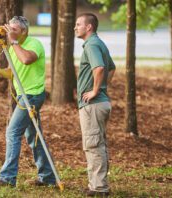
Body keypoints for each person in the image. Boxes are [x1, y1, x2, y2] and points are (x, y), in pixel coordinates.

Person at [0, 16, 56, 187]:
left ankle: (7, 178)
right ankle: (48, 177)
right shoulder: (13, 46)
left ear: (24, 31)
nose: (10, 33)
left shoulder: (33, 44)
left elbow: (26, 60)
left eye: (14, 29)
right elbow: (12, 72)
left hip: (32, 95)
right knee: (34, 136)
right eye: (9, 28)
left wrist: (14, 43)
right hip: (24, 95)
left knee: (13, 132)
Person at [74, 13, 116, 197]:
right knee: (97, 144)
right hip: (100, 103)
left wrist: (96, 91)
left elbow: (99, 68)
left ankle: (99, 188)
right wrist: (103, 88)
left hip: (94, 104)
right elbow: (111, 68)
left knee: (93, 145)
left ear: (88, 27)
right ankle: (96, 185)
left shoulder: (91, 45)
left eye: (78, 24)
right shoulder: (99, 43)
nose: (75, 27)